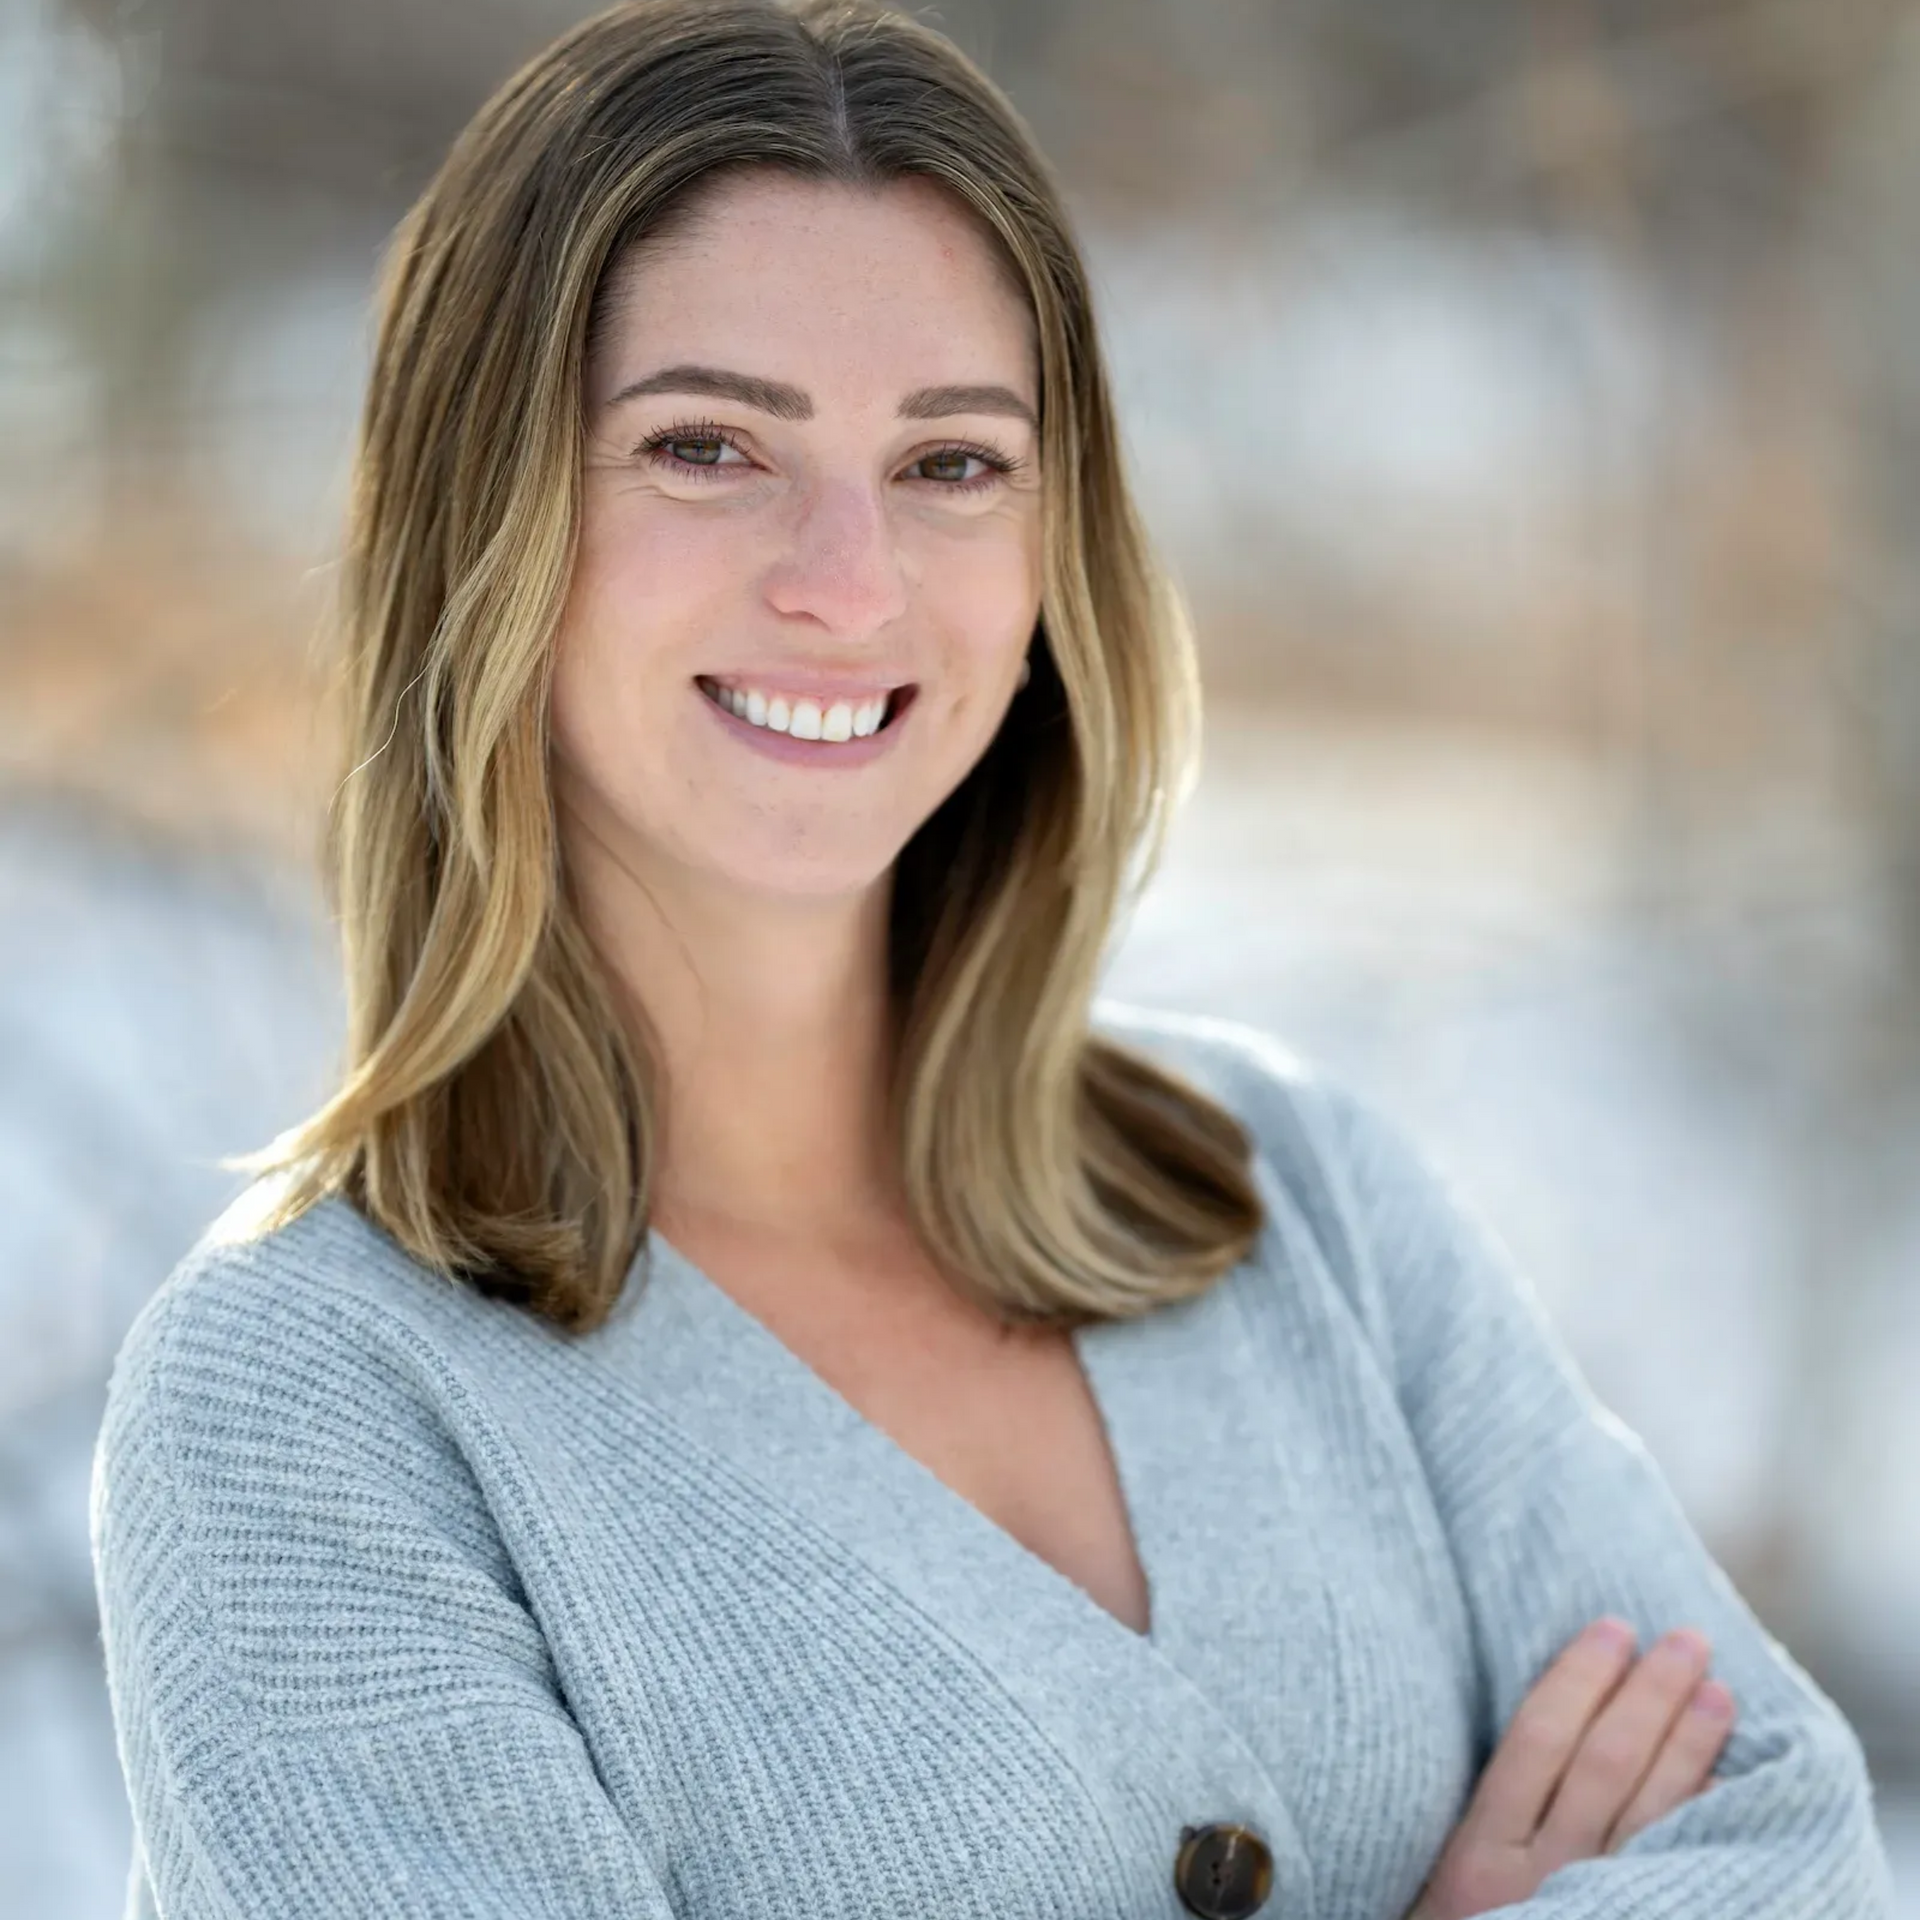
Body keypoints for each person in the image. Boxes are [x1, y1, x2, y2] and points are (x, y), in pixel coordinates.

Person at [88, 2, 1894, 1916]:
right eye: (705, 445)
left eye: (953, 464)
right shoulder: (310, 1410)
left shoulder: (1295, 1206)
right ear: (489, 519)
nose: (849, 581)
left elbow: (1788, 1849)